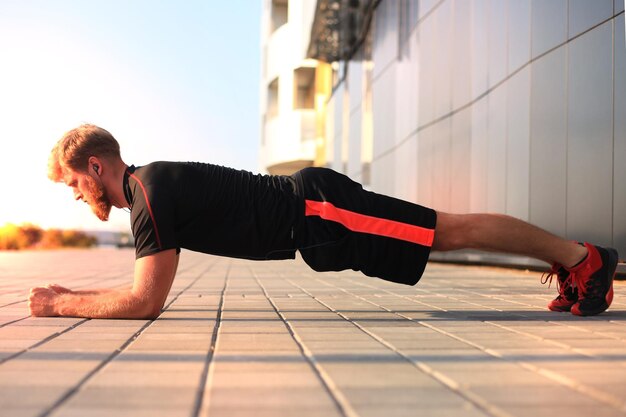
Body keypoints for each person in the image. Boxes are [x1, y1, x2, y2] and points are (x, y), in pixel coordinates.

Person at [28, 124, 619, 319]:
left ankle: (582, 259)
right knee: (444, 233)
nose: (78, 198)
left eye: (75, 185)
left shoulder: (148, 193)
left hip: (319, 211)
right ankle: (572, 260)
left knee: (449, 231)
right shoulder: (149, 188)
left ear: (95, 166)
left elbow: (144, 301)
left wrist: (60, 302)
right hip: (317, 220)